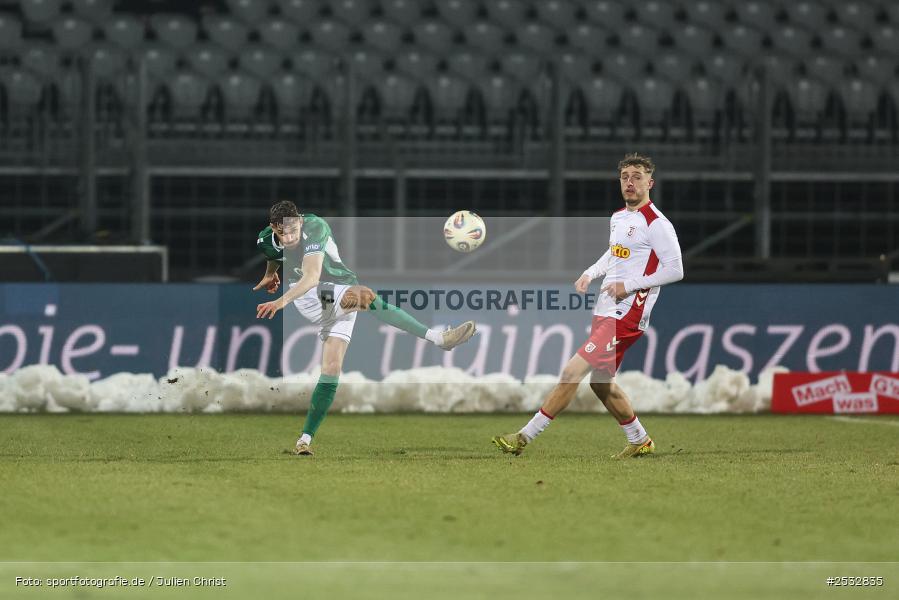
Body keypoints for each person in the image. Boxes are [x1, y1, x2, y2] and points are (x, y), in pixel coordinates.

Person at [492, 153, 683, 458]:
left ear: (650, 182)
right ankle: (640, 440)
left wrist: (629, 286)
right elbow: (614, 254)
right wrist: (590, 273)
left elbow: (676, 270)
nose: (630, 182)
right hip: (606, 308)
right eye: (624, 177)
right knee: (601, 383)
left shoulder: (657, 224)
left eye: (636, 176)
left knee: (572, 371)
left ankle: (523, 437)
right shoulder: (619, 216)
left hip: (627, 313)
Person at [255, 201, 476, 456]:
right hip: (311, 297)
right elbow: (276, 256)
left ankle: (304, 439)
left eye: (294, 230)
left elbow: (311, 273)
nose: (290, 237)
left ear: (300, 221)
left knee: (331, 369)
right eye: (284, 233)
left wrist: (279, 298)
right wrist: (271, 274)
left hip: (330, 288)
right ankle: (439, 338)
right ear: (273, 228)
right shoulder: (264, 239)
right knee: (366, 296)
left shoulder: (314, 227)